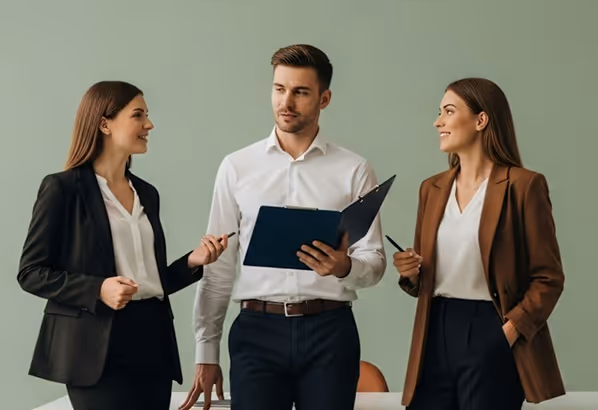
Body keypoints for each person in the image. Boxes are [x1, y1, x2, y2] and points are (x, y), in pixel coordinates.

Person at [178, 44, 386, 410]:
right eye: (279, 89)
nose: (285, 102)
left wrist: (345, 267)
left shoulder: (354, 170)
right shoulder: (237, 166)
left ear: (325, 99)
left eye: (300, 92)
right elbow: (219, 266)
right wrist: (206, 350)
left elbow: (374, 261)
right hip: (256, 331)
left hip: (330, 331)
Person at [17, 81, 230, 410]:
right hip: (95, 350)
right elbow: (31, 272)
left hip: (153, 343)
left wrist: (193, 261)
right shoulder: (62, 189)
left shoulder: (148, 193)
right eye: (138, 115)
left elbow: (149, 281)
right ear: (105, 124)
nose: (149, 125)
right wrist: (98, 289)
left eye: (147, 115)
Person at [393, 77, 565, 410]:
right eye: (439, 112)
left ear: (481, 120)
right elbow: (425, 275)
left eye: (448, 111)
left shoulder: (524, 186)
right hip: (434, 327)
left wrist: (509, 332)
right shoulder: (432, 189)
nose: (437, 121)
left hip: (491, 326)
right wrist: (411, 272)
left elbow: (549, 278)